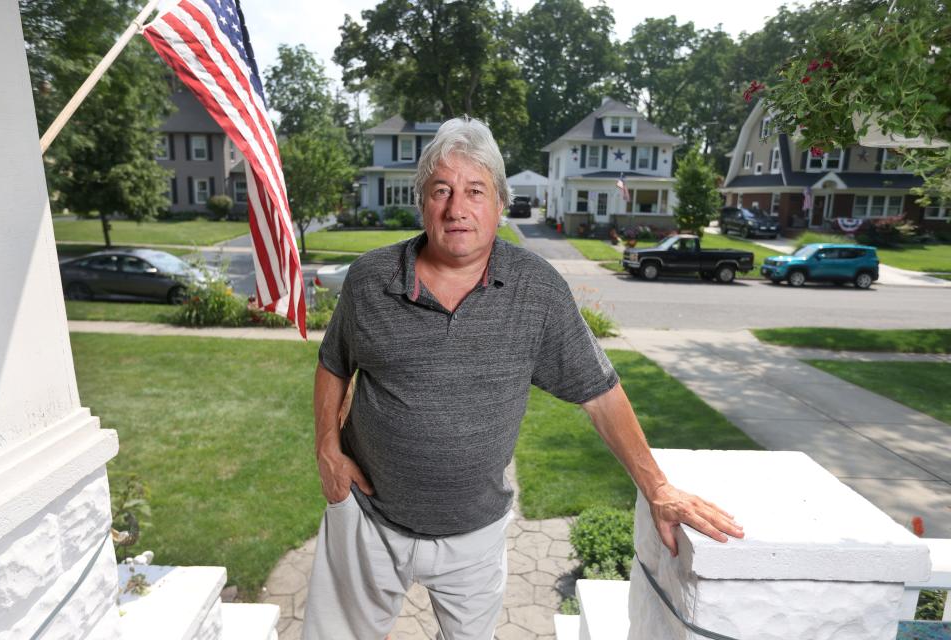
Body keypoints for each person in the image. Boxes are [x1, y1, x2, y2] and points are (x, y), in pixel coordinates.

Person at [303, 116, 743, 640]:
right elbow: (334, 363)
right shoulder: (371, 279)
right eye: (441, 190)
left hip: (474, 537)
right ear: (422, 201)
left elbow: (599, 394)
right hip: (367, 523)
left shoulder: (537, 291)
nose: (456, 208)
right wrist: (327, 448)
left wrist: (657, 487)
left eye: (474, 191)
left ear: (499, 202)